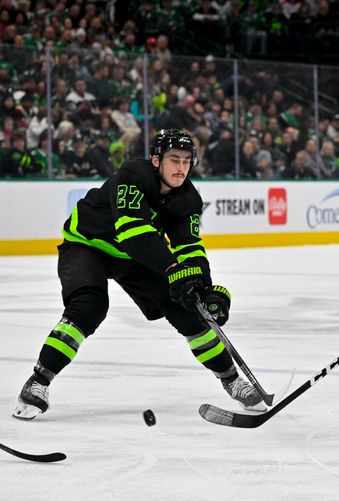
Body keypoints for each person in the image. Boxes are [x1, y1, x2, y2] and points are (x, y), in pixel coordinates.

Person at [12, 129, 265, 421]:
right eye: (174, 160)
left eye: (186, 161)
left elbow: (190, 246)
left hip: (134, 258)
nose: (181, 168)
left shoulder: (188, 199)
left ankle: (232, 379)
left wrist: (203, 288)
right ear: (156, 160)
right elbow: (133, 233)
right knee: (88, 307)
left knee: (188, 310)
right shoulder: (133, 176)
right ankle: (38, 382)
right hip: (87, 245)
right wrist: (172, 269)